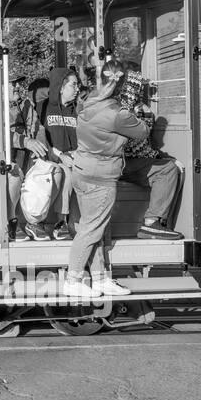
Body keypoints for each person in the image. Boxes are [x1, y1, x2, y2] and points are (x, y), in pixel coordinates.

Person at [65, 59, 147, 298]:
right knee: (91, 229)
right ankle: (73, 279)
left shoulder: (86, 103)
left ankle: (100, 279)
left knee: (97, 227)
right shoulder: (117, 114)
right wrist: (135, 109)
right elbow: (142, 131)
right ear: (121, 86)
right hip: (101, 177)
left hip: (82, 170)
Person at [115, 65, 183, 238]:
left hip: (133, 162)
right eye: (138, 87)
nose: (143, 92)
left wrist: (160, 155)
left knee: (169, 167)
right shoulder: (123, 108)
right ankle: (152, 222)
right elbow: (132, 143)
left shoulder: (140, 109)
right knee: (167, 170)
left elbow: (146, 144)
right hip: (124, 162)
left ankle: (156, 220)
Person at [0, 76, 49, 240]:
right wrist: (25, 141)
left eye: (19, 83)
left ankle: (35, 222)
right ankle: (11, 222)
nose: (18, 86)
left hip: (26, 157)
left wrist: (38, 146)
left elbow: (38, 127)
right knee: (13, 172)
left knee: (54, 171)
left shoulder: (25, 105)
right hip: (0, 161)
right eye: (13, 83)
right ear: (0, 86)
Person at [38, 67, 81, 241]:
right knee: (66, 172)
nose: (77, 89)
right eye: (74, 84)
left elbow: (84, 137)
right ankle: (61, 222)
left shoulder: (76, 110)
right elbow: (40, 139)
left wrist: (77, 153)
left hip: (75, 157)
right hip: (51, 158)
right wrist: (59, 155)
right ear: (61, 87)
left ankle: (80, 223)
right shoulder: (43, 108)